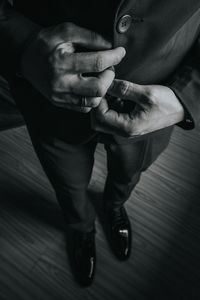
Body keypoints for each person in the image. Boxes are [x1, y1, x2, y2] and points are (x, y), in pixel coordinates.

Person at [0, 0, 200, 287]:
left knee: (129, 174)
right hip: (46, 97)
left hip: (158, 95)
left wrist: (187, 96)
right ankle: (80, 226)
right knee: (66, 181)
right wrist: (21, 43)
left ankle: (115, 206)